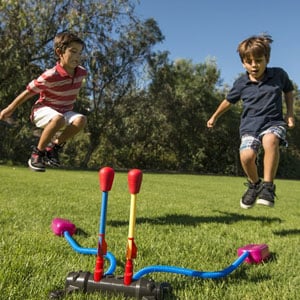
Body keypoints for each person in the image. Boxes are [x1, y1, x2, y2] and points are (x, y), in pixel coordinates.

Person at [207, 34, 295, 209]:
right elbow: (228, 101)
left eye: (259, 60)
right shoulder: (241, 83)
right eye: (249, 61)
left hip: (273, 122)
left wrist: (290, 113)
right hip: (250, 127)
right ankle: (255, 184)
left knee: (270, 140)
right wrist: (214, 116)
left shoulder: (278, 75)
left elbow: (289, 91)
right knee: (246, 156)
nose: (254, 65)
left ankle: (268, 187)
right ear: (243, 63)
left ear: (266, 59)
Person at [0, 32, 87, 172]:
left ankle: (53, 148)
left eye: (80, 53)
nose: (78, 56)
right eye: (73, 51)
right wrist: (10, 108)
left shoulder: (81, 72)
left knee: (81, 120)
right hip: (42, 111)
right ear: (59, 52)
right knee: (58, 118)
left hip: (64, 112)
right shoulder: (50, 75)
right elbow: (28, 92)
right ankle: (37, 154)